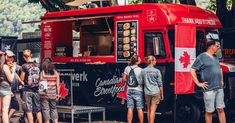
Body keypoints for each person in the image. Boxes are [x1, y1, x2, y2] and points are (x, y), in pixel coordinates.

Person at [190, 40, 226, 123]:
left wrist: (222, 80)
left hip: (219, 88)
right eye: (217, 46)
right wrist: (198, 83)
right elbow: (192, 70)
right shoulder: (201, 57)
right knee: (209, 112)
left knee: (221, 109)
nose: (218, 47)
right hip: (209, 89)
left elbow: (219, 69)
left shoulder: (215, 57)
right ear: (211, 46)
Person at [20, 49, 42, 123]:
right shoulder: (38, 65)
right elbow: (41, 78)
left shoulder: (24, 66)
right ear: (31, 55)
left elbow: (21, 79)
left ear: (23, 57)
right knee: (38, 110)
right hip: (36, 90)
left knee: (29, 110)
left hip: (27, 90)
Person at [141, 56, 163, 123]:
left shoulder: (143, 71)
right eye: (155, 60)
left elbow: (142, 82)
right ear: (152, 61)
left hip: (147, 92)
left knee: (148, 110)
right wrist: (162, 93)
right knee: (153, 111)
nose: (156, 62)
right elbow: (160, 84)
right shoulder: (157, 71)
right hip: (155, 92)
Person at [122, 54, 144, 123]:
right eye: (139, 59)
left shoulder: (127, 68)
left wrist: (129, 81)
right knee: (139, 108)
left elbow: (123, 79)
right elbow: (142, 81)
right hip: (138, 90)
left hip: (129, 90)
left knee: (130, 108)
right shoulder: (141, 70)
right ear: (136, 62)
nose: (141, 60)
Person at [0, 50, 20, 123]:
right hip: (5, 90)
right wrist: (13, 70)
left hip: (2, 89)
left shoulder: (1, 65)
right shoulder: (5, 66)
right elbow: (11, 79)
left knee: (1, 110)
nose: (11, 59)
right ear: (5, 57)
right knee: (5, 110)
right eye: (9, 57)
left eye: (12, 57)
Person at [40, 57, 60, 123]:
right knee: (54, 108)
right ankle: (56, 121)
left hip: (45, 94)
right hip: (53, 93)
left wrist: (41, 94)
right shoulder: (56, 73)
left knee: (46, 109)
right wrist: (58, 94)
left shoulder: (42, 73)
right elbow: (57, 84)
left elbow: (42, 85)